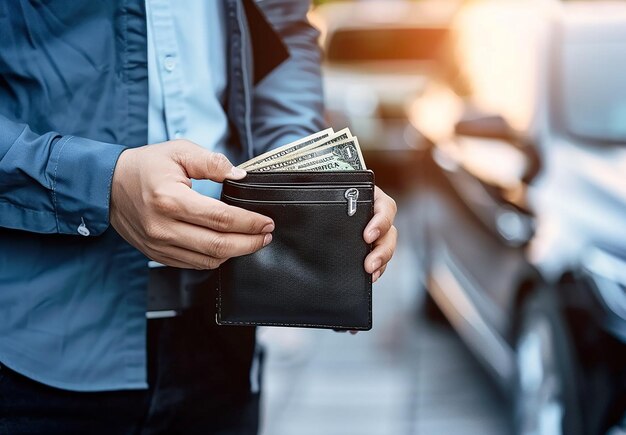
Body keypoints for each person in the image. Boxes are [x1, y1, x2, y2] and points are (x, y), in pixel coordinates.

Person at [0, 0, 398, 433]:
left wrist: (307, 186)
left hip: (222, 337)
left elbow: (281, 29)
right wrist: (98, 183)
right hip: (27, 350)